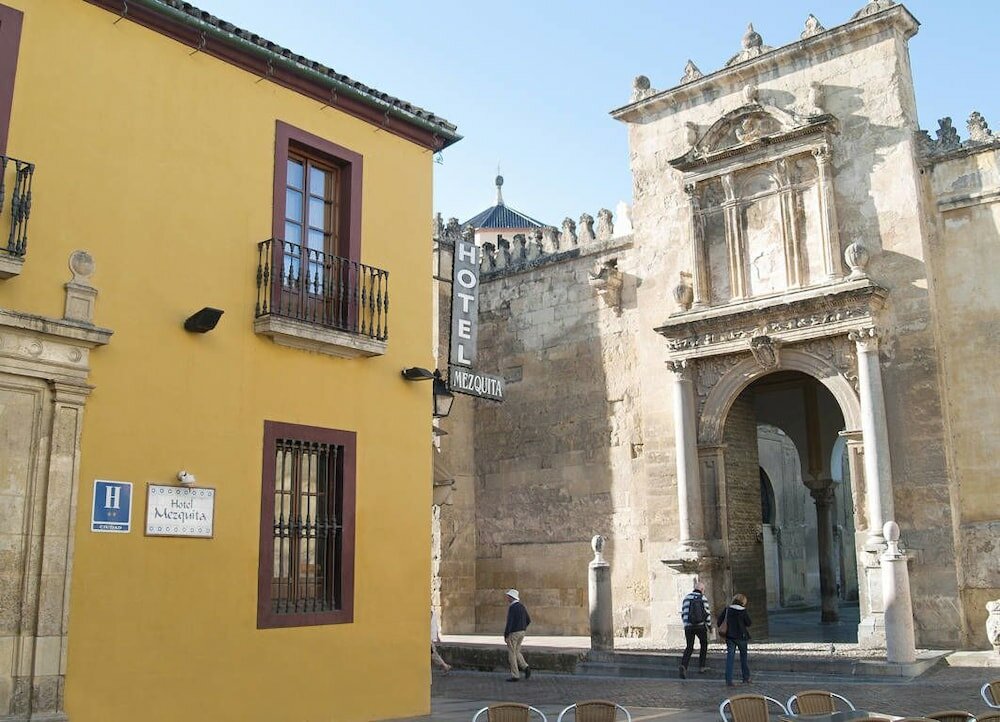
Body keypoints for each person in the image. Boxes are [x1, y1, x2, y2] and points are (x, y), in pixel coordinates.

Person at [678, 580, 712, 678]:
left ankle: (684, 665)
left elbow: (683, 613)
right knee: (704, 644)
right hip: (700, 626)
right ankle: (702, 666)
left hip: (688, 626)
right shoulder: (703, 598)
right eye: (703, 589)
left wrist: (686, 624)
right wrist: (709, 626)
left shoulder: (686, 598)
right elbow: (707, 614)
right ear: (701, 589)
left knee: (689, 646)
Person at [718, 593, 752, 687]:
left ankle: (729, 680)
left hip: (730, 637)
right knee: (743, 658)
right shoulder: (743, 611)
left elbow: (719, 622)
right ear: (743, 601)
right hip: (741, 637)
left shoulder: (728, 609)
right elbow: (749, 623)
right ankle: (746, 677)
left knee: (730, 658)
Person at [503, 589, 531, 682]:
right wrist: (523, 627)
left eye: (508, 596)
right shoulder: (521, 606)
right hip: (522, 632)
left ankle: (515, 675)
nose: (507, 598)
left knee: (512, 653)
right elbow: (528, 620)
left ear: (511, 597)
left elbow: (509, 622)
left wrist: (506, 634)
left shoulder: (513, 607)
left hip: (514, 632)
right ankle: (525, 667)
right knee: (517, 651)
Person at [430, 608, 451, 673]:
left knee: (433, 654)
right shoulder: (431, 613)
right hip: (429, 639)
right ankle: (445, 666)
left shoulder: (430, 613)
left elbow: (432, 626)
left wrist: (436, 636)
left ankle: (445, 666)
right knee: (433, 654)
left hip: (428, 640)